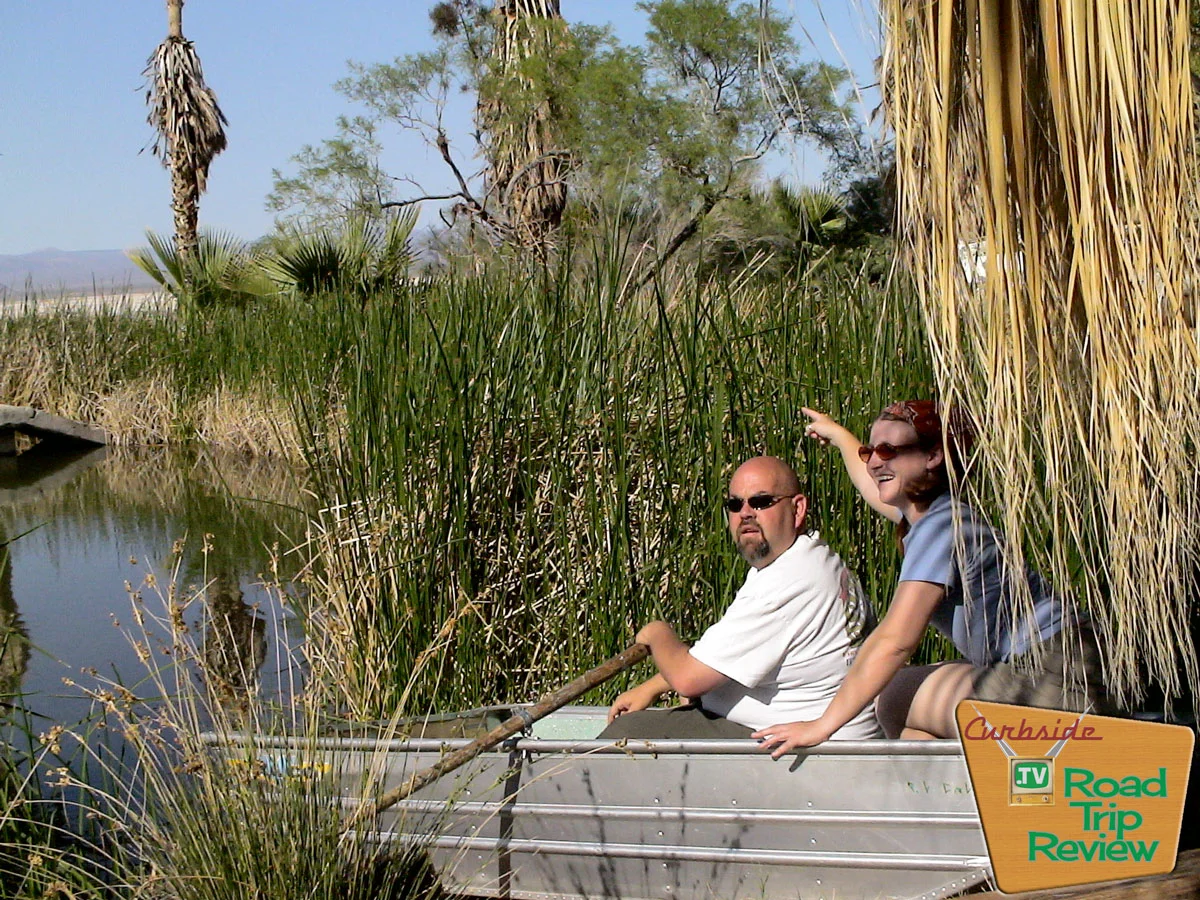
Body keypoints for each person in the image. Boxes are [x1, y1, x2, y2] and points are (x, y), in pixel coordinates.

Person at [753, 401, 1109, 758]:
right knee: (917, 721)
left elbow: (896, 641)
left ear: (933, 456)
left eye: (889, 450)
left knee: (893, 693)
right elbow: (873, 486)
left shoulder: (939, 530)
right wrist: (841, 437)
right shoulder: (941, 514)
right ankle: (946, 805)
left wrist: (820, 726)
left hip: (1051, 679)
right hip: (1072, 664)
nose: (875, 461)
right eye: (870, 450)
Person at [600, 455, 882, 741]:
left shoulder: (785, 583)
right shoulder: (814, 557)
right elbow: (729, 662)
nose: (746, 513)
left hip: (801, 745)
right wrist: (654, 686)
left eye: (761, 502)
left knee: (625, 733)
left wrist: (656, 633)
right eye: (735, 504)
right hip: (805, 728)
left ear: (798, 509)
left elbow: (688, 679)